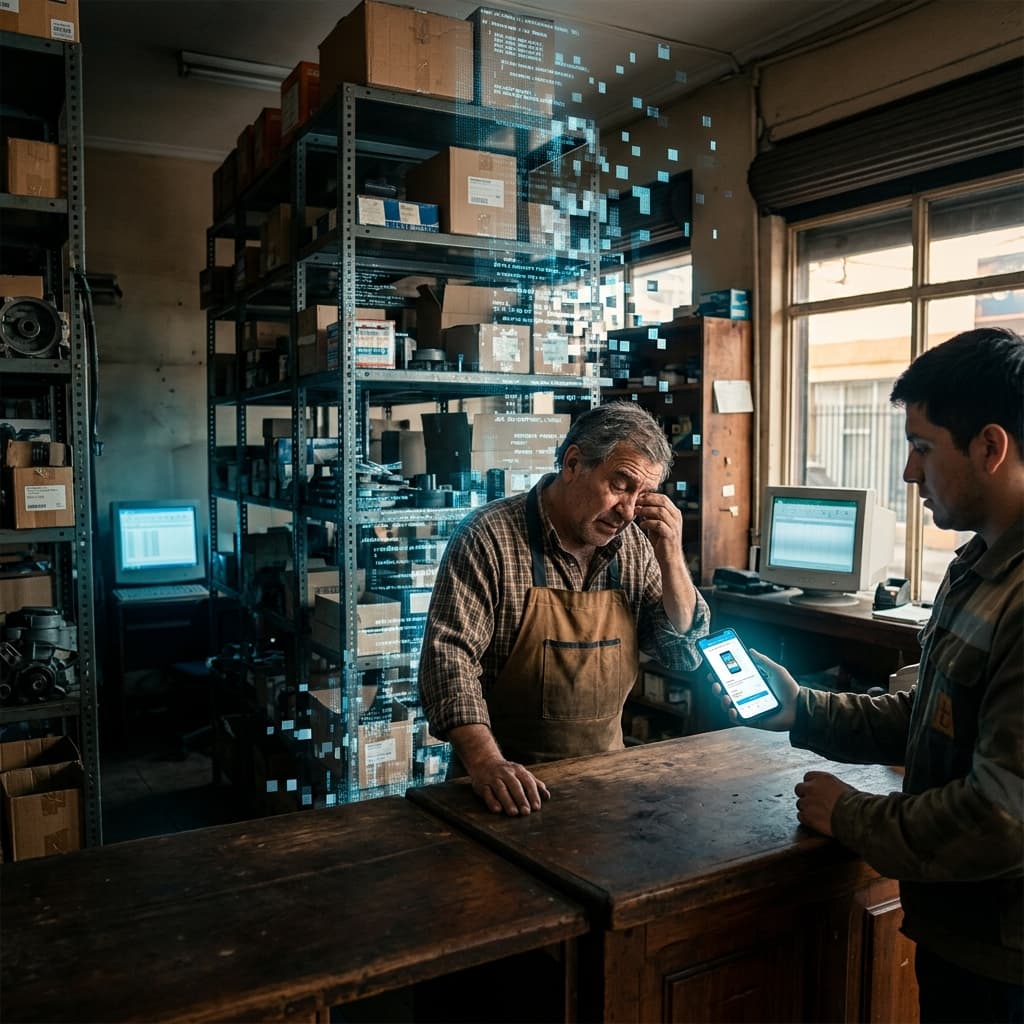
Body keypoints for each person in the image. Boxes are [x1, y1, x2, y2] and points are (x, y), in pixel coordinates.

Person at [717, 327, 1023, 1024]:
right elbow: (929, 717)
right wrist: (803, 710)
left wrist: (851, 815)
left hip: (1005, 966)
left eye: (922, 448)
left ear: (990, 446)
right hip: (959, 938)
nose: (909, 474)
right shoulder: (977, 569)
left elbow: (1000, 818)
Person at [419, 401, 710, 817]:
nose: (627, 512)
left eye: (641, 495)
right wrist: (487, 763)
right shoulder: (488, 537)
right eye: (619, 485)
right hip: (501, 787)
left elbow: (683, 652)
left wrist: (671, 559)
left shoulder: (635, 547)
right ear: (573, 463)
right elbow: (447, 663)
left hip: (603, 784)